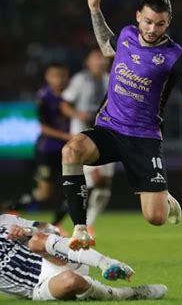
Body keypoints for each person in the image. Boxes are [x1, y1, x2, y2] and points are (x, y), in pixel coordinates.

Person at [61, 0, 182, 250]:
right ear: (138, 17)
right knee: (71, 150)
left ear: (168, 23)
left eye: (160, 24)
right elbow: (105, 45)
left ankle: (165, 201)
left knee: (155, 218)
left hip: (144, 139)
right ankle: (80, 228)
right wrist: (94, 8)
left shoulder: (175, 57)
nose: (152, 29)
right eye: (148, 22)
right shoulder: (126, 35)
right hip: (109, 128)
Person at [0, 193, 167, 304]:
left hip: (62, 256)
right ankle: (128, 294)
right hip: (41, 287)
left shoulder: (3, 221)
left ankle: (106, 263)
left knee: (36, 240)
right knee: (70, 281)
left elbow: (53, 229)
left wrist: (28, 231)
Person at [4, 63, 78, 231]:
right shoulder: (44, 97)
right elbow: (43, 127)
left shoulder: (73, 95)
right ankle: (14, 204)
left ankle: (56, 225)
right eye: (55, 76)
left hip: (71, 151)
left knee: (74, 189)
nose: (59, 80)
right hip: (48, 151)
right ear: (48, 77)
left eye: (62, 76)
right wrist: (68, 136)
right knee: (44, 194)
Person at [62, 49, 115, 236]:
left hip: (106, 133)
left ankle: (87, 223)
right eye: (95, 58)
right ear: (88, 62)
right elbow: (64, 104)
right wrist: (78, 114)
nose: (100, 62)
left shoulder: (111, 78)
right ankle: (74, 220)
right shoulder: (79, 80)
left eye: (102, 59)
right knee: (93, 179)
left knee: (104, 185)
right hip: (83, 136)